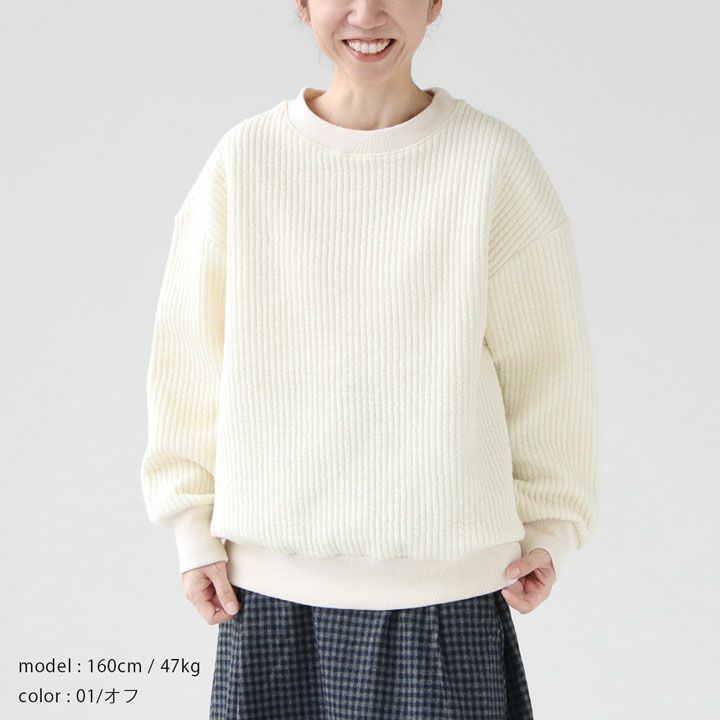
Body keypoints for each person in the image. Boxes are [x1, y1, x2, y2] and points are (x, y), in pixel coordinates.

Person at [140, 1, 600, 717]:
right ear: (303, 5)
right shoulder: (246, 160)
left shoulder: (491, 162)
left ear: (434, 4)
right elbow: (189, 358)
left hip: (449, 597)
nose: (365, 13)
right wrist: (192, 531)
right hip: (268, 602)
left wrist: (550, 530)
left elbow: (549, 369)